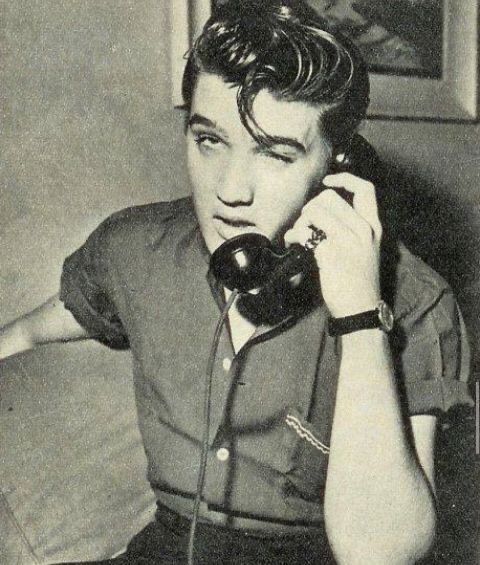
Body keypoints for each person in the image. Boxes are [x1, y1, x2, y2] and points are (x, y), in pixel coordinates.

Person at [0, 1, 472, 563]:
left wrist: (358, 313)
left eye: (273, 154)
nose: (230, 190)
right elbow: (27, 335)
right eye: (210, 141)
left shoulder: (416, 300)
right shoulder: (135, 247)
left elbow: (380, 553)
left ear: (338, 169)